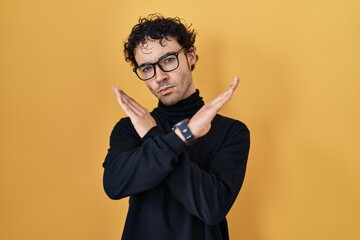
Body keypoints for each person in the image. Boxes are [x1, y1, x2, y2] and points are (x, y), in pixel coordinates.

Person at [102, 13, 250, 240]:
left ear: (191, 56)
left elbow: (212, 207)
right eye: (147, 68)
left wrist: (153, 136)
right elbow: (114, 185)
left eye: (168, 59)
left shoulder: (231, 132)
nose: (159, 76)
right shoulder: (131, 127)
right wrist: (182, 138)